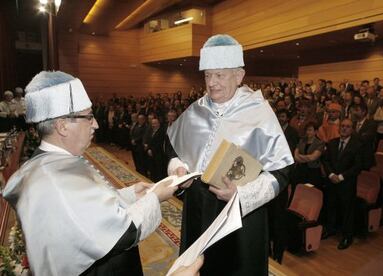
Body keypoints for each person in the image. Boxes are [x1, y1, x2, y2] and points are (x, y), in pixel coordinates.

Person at [2, 71, 178, 276]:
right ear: (62, 126)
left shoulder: (54, 163)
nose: (96, 124)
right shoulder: (56, 179)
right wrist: (155, 197)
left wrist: (130, 194)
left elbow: (91, 209)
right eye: (88, 117)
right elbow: (121, 233)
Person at [167, 34, 293, 275]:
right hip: (198, 206)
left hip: (239, 214)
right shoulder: (197, 109)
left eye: (219, 75)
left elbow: (281, 170)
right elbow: (174, 148)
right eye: (207, 75)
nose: (212, 83)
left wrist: (242, 195)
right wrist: (178, 168)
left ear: (239, 76)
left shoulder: (259, 112)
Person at [322, 118, 362, 250]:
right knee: (331, 206)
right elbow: (326, 161)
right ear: (339, 128)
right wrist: (331, 174)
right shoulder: (332, 143)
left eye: (348, 126)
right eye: (342, 126)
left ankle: (347, 236)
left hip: (347, 183)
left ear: (352, 129)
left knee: (347, 211)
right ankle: (330, 229)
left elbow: (357, 166)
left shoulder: (357, 145)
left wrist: (341, 176)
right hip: (332, 181)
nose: (344, 128)